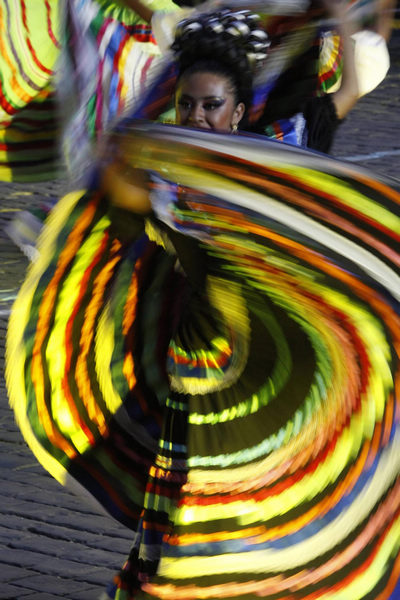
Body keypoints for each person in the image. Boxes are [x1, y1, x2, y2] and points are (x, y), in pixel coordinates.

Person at [6, 6, 400, 600]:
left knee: (273, 481)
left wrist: (336, 23)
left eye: (211, 106)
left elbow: (340, 96)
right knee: (194, 493)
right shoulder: (169, 168)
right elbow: (116, 181)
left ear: (239, 111)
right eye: (187, 104)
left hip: (269, 353)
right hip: (197, 361)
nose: (196, 116)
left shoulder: (269, 163)